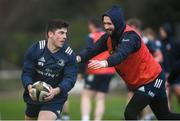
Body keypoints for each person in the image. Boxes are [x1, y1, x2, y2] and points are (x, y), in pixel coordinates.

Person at [76, 5, 180, 120]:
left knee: (130, 113)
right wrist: (77, 58)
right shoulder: (108, 37)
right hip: (142, 81)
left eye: (109, 24)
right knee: (165, 117)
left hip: (152, 79)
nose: (106, 27)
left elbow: (121, 54)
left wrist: (104, 63)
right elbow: (92, 50)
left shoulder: (130, 36)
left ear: (118, 22)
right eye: (104, 23)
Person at [21, 19, 77, 120]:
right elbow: (26, 73)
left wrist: (55, 91)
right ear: (50, 34)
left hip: (55, 97)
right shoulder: (35, 49)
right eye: (61, 33)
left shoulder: (69, 54)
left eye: (65, 33)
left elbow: (70, 79)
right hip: (34, 95)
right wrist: (30, 87)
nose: (65, 36)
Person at [80, 18, 115, 121]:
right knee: (100, 99)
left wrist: (81, 71)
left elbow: (87, 53)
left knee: (86, 96)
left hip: (95, 70)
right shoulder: (108, 36)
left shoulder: (91, 36)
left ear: (91, 25)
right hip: (109, 70)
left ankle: (85, 119)